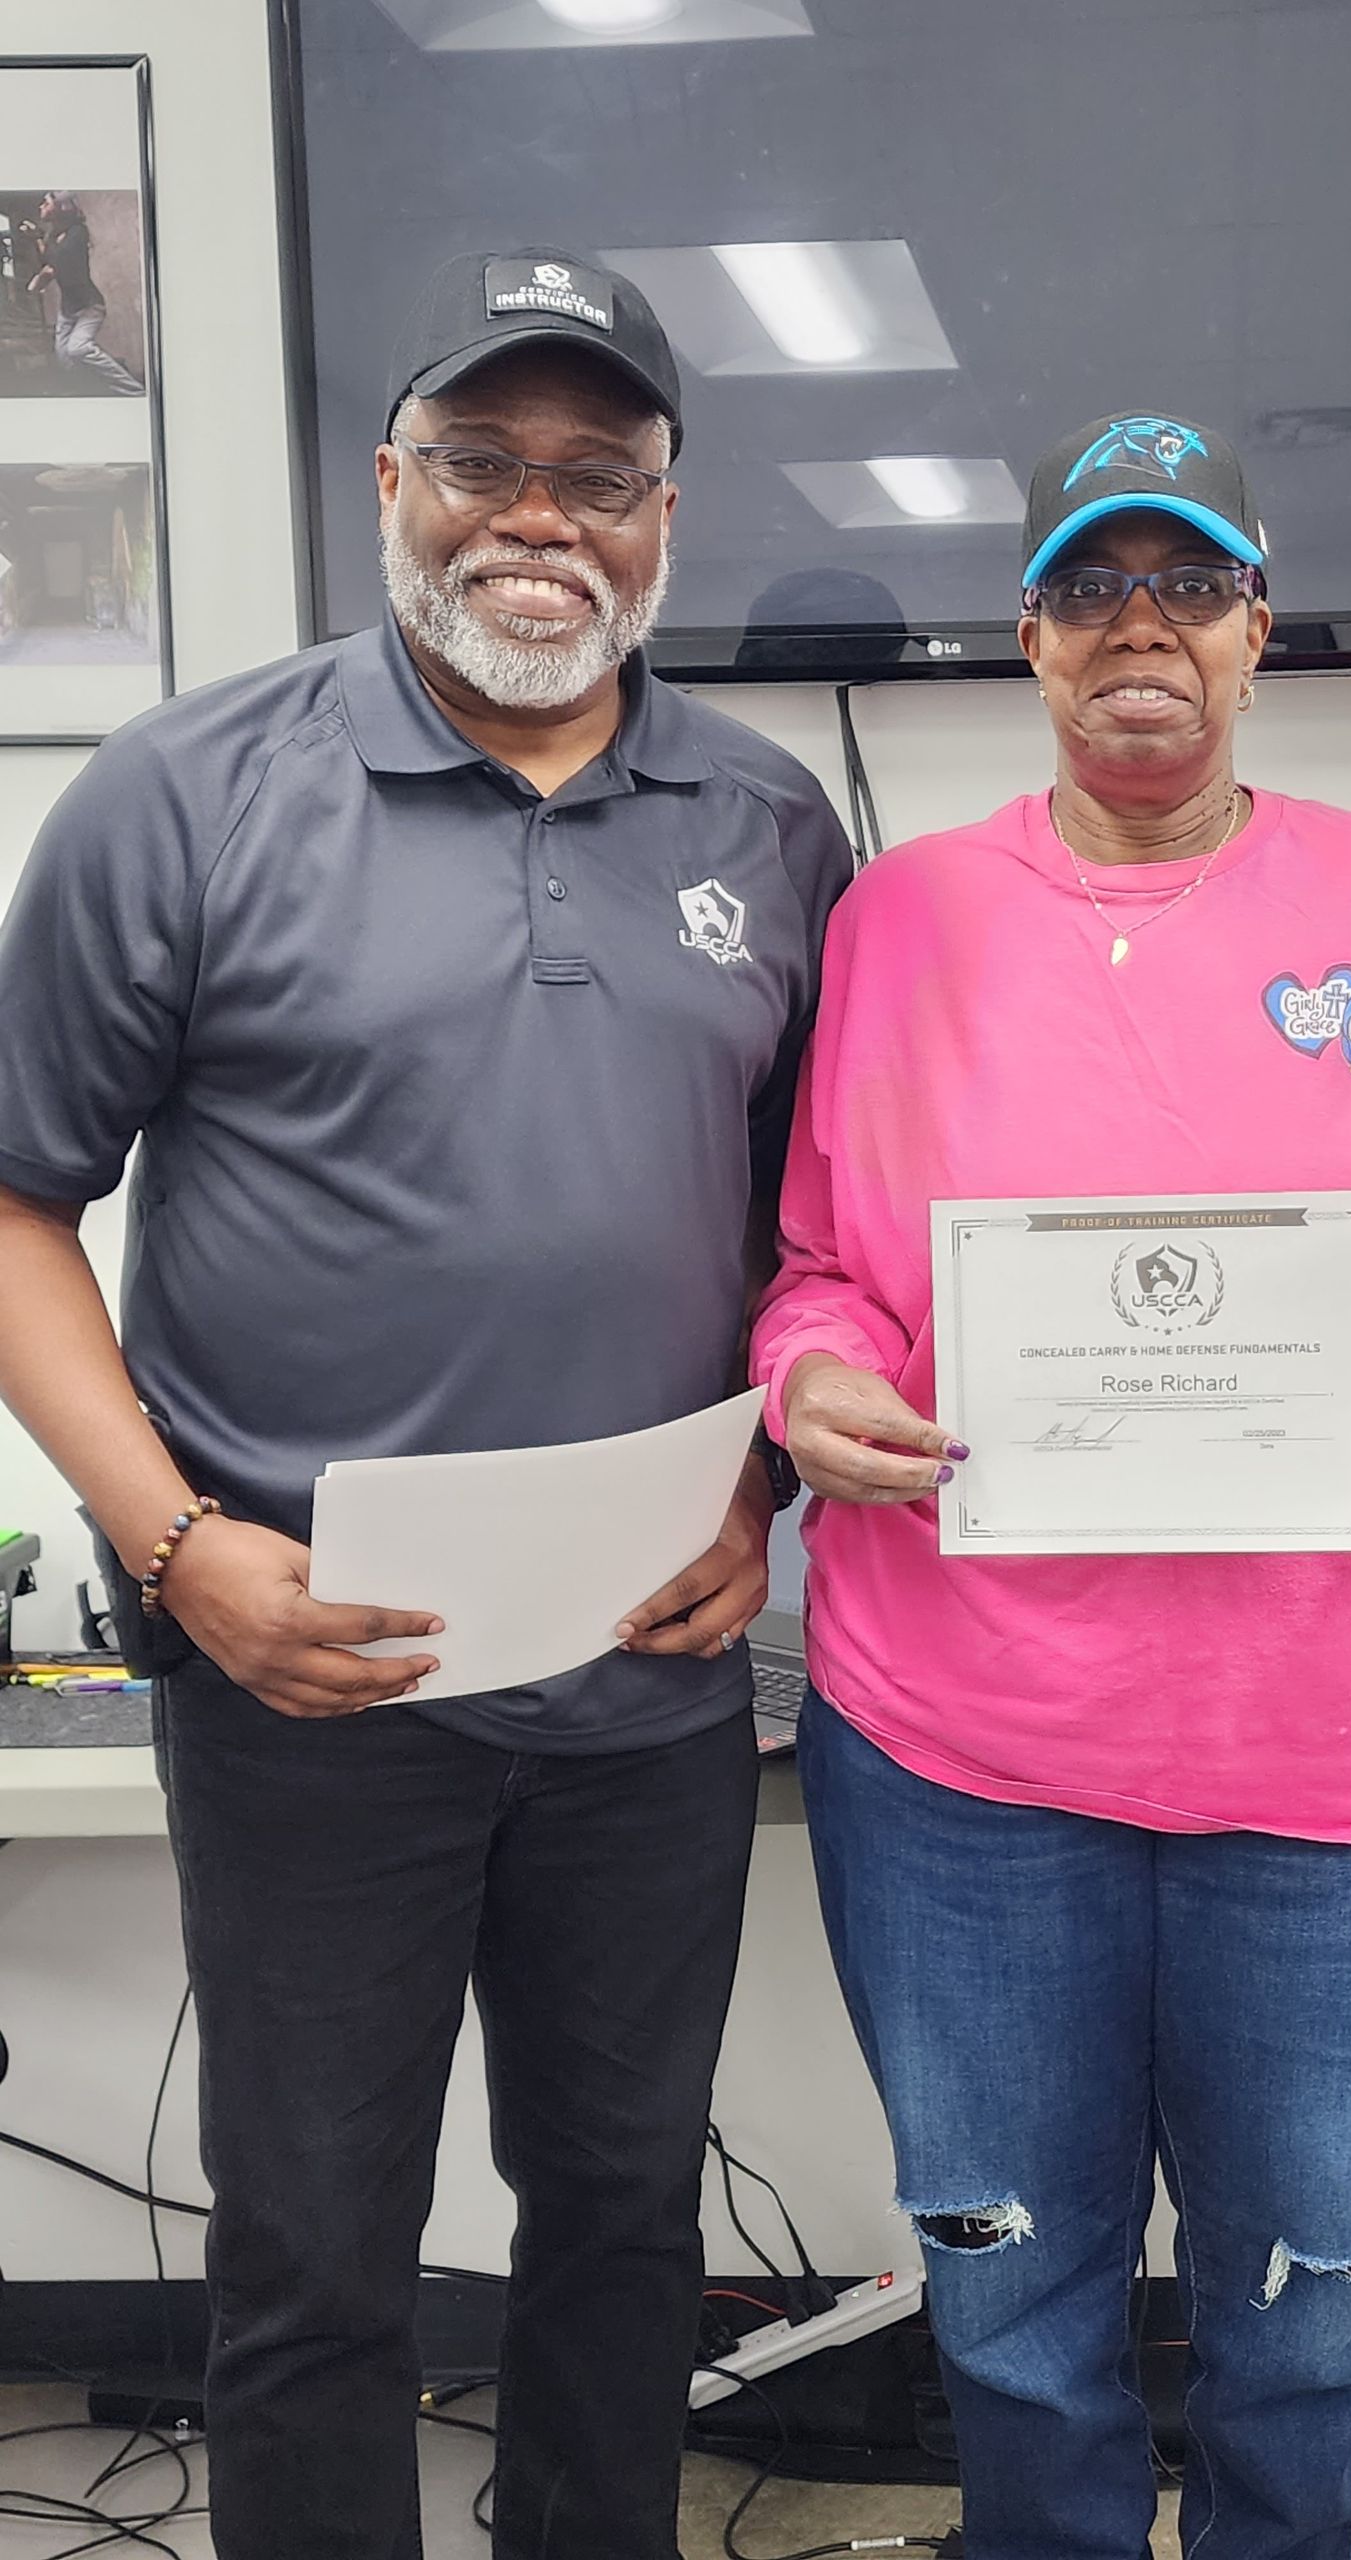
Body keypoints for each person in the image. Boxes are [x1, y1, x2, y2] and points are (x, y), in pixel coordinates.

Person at [0, 248, 849, 2559]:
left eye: (597, 473)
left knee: (621, 2210)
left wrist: (764, 1489)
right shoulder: (183, 794)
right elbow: (13, 1209)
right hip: (306, 1671)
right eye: (483, 459)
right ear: (392, 481)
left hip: (648, 1680)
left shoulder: (771, 827)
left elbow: (821, 1243)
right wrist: (180, 1549)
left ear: (666, 517)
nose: (534, 517)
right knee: (312, 2235)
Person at [750, 412, 1351, 2560]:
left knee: (1306, 2297)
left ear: (1256, 627)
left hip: (1337, 1758)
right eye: (1087, 591)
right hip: (970, 1757)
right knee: (1010, 2289)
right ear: (1028, 641)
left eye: (1188, 588)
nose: (1138, 631)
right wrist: (817, 1380)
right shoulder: (906, 920)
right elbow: (812, 1274)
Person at [26, 194, 145, 395]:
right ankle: (95, 391)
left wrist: (40, 249)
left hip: (89, 306)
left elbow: (58, 262)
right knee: (65, 358)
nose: (40, 206)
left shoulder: (78, 233)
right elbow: (49, 260)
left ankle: (136, 392)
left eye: (46, 202)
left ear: (62, 208)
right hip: (68, 309)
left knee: (78, 349)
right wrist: (38, 239)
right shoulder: (54, 236)